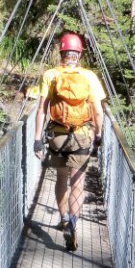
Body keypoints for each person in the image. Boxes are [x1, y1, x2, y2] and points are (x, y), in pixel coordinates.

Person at [33, 32, 106, 251]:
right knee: (78, 183)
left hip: (57, 136)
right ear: (79, 54)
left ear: (62, 52)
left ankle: (64, 218)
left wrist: (37, 140)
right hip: (82, 135)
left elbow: (41, 110)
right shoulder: (89, 77)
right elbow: (98, 112)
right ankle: (74, 222)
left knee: (61, 179)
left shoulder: (51, 75)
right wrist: (99, 135)